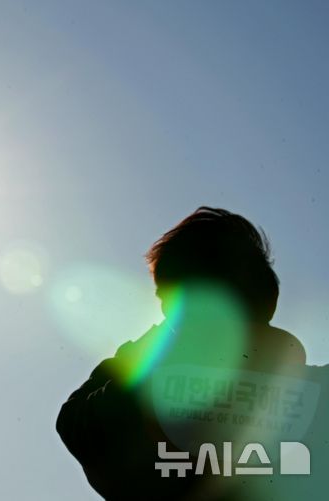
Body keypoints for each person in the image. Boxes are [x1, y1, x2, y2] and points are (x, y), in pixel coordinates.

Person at [56, 207, 325, 500]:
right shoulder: (318, 392)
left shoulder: (148, 393)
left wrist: (143, 353)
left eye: (168, 296)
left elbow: (76, 426)